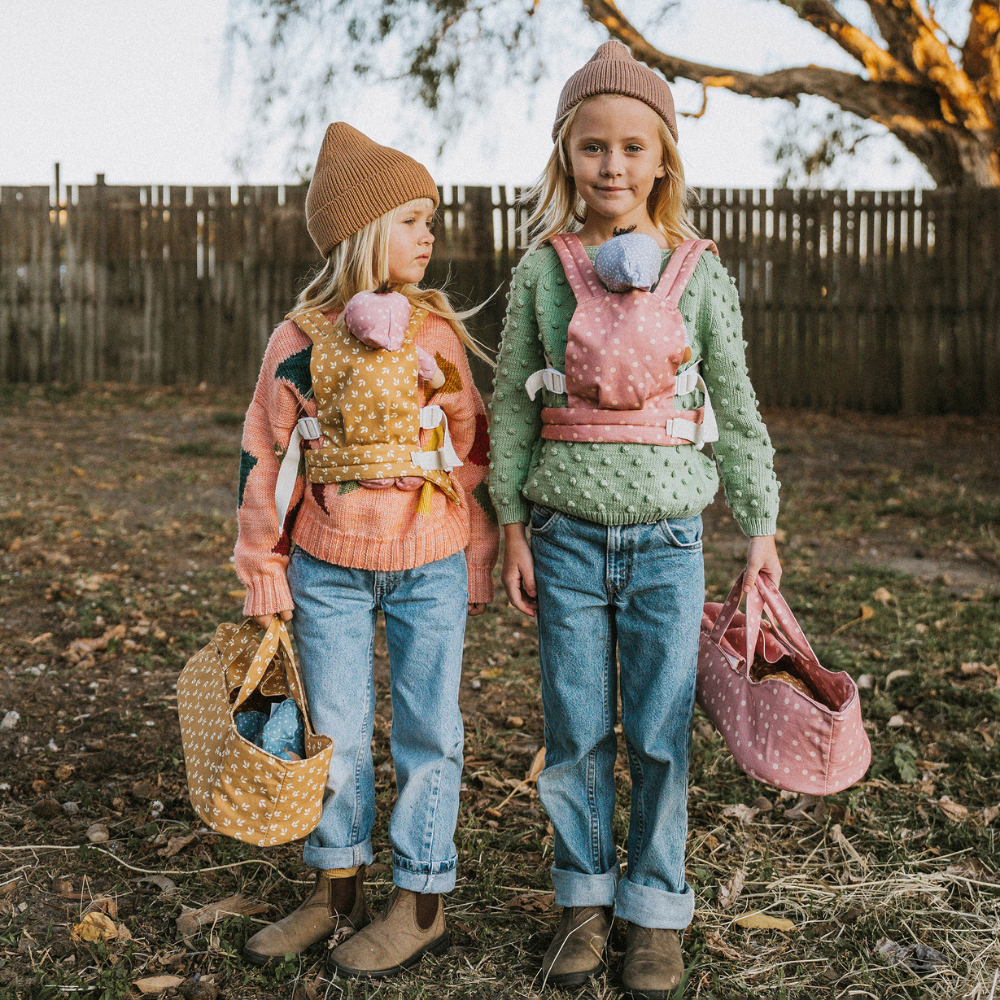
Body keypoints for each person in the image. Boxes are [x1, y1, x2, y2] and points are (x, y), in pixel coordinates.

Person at [488, 41, 782, 999]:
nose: (611, 167)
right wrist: (512, 524)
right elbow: (512, 407)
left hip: (669, 545)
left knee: (659, 732)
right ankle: (583, 902)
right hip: (566, 538)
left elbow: (734, 407)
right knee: (575, 730)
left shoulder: (700, 272)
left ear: (663, 161)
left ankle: (654, 908)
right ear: (565, 157)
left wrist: (761, 528)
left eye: (630, 149)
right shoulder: (544, 270)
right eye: (591, 149)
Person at [235, 122, 499, 979]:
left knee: (430, 729)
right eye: (413, 219)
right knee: (336, 731)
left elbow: (473, 448)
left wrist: (479, 553)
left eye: (433, 220)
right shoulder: (299, 340)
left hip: (428, 560)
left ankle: (421, 899)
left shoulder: (435, 337)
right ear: (362, 231)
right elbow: (264, 458)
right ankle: (335, 888)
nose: (430, 236)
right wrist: (264, 564)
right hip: (327, 563)